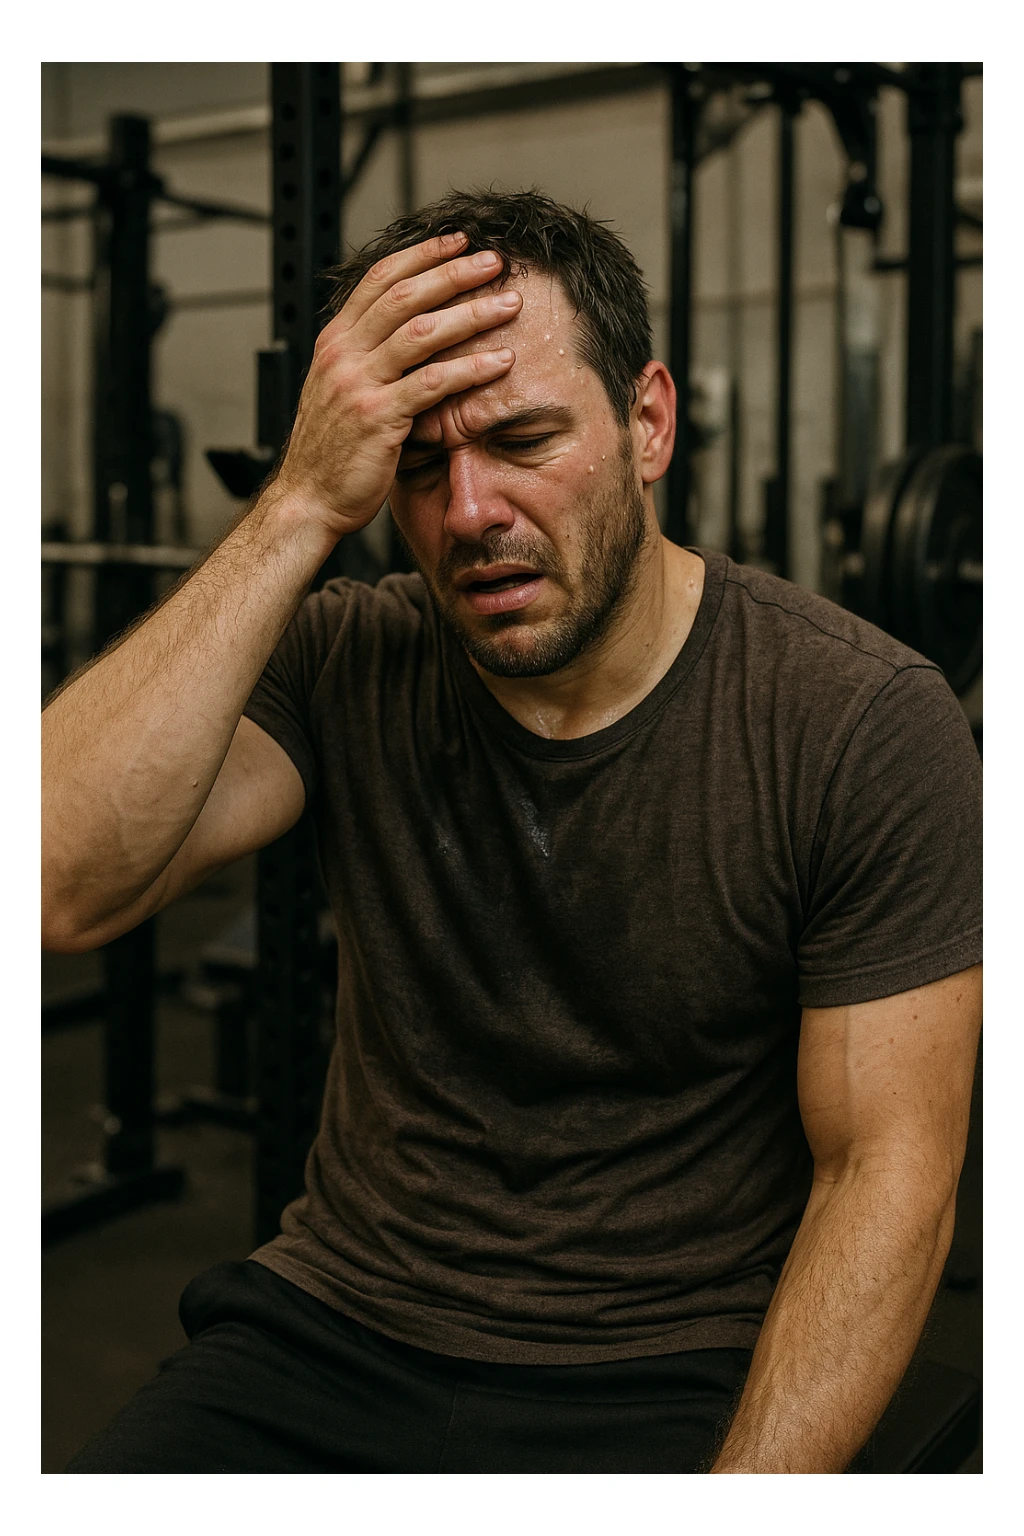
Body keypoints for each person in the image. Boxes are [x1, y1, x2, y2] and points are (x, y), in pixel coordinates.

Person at [42, 189, 982, 1474]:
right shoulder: (348, 657)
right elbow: (57, 881)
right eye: (416, 468)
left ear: (647, 422)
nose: (469, 511)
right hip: (334, 1319)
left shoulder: (858, 723)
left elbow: (885, 1176)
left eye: (524, 440)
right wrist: (302, 504)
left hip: (664, 1358)